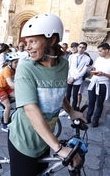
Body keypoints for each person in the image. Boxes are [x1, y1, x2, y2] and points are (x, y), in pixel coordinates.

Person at [8, 13, 85, 176]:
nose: (27, 47)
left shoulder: (63, 64)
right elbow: (30, 109)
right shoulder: (26, 67)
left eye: (33, 41)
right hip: (24, 141)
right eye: (26, 42)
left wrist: (71, 111)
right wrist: (58, 148)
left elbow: (57, 90)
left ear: (51, 40)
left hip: (45, 138)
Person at [0, 52, 19, 132]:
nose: (17, 64)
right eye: (15, 62)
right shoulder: (7, 70)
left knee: (19, 97)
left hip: (6, 88)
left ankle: (2, 102)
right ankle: (4, 125)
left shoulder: (14, 69)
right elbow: (11, 83)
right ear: (10, 63)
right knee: (8, 106)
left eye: (18, 61)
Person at [86, 42, 110, 127]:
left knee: (99, 103)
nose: (98, 53)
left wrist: (103, 74)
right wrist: (91, 68)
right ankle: (88, 118)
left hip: (103, 84)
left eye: (100, 51)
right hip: (94, 81)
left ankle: (95, 120)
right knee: (91, 101)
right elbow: (95, 68)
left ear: (106, 50)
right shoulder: (99, 59)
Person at [66, 42, 91, 111]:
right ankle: (67, 110)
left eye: (83, 48)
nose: (81, 49)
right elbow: (68, 67)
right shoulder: (71, 56)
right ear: (77, 47)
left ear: (85, 49)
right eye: (80, 47)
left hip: (78, 79)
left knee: (75, 96)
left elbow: (84, 71)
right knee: (68, 95)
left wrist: (74, 78)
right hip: (69, 78)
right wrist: (69, 77)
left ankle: (73, 110)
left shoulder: (87, 58)